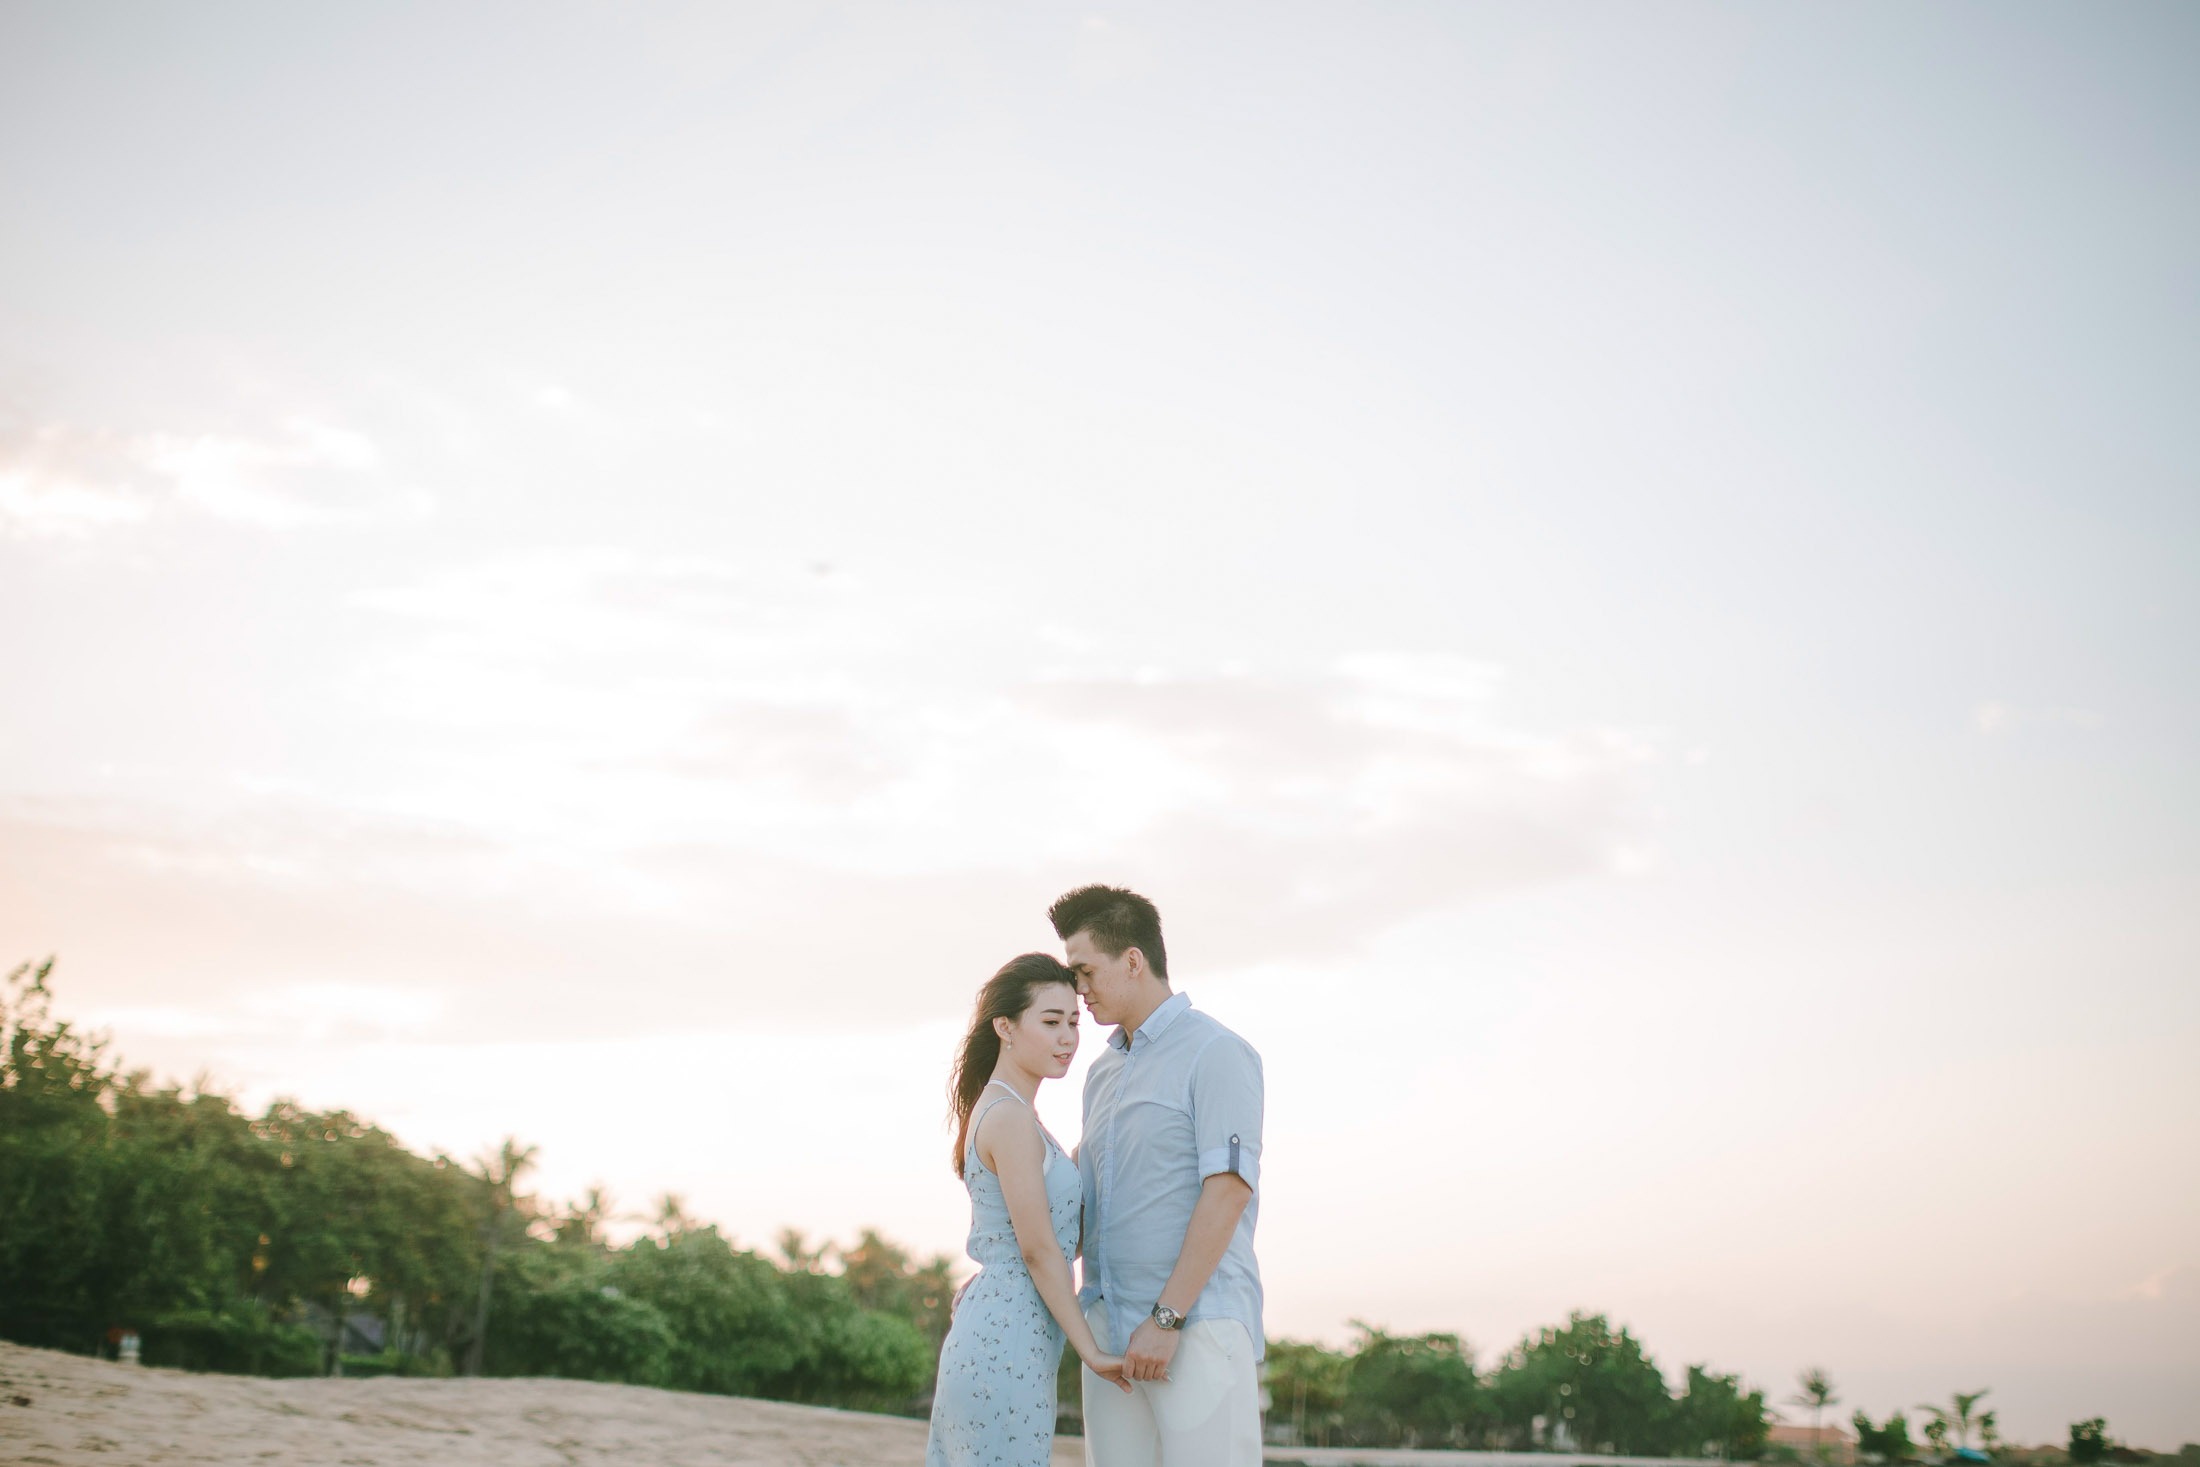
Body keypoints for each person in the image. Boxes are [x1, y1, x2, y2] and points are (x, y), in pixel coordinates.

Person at [1051, 884, 1266, 1467]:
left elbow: (1227, 1192)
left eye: (1084, 970)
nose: (1078, 990)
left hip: (1195, 1328)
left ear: (1132, 960)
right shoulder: (1100, 1072)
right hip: (1108, 1332)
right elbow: (1083, 1201)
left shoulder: (1216, 1052)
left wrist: (1167, 1318)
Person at [927, 954, 1130, 1467]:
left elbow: (1059, 1237)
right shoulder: (1009, 1118)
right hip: (1006, 1337)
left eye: (1073, 1022)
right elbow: (1039, 1251)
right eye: (1050, 1021)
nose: (1067, 1038)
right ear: (1005, 1026)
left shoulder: (1017, 1115)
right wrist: (1093, 1352)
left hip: (1014, 1332)